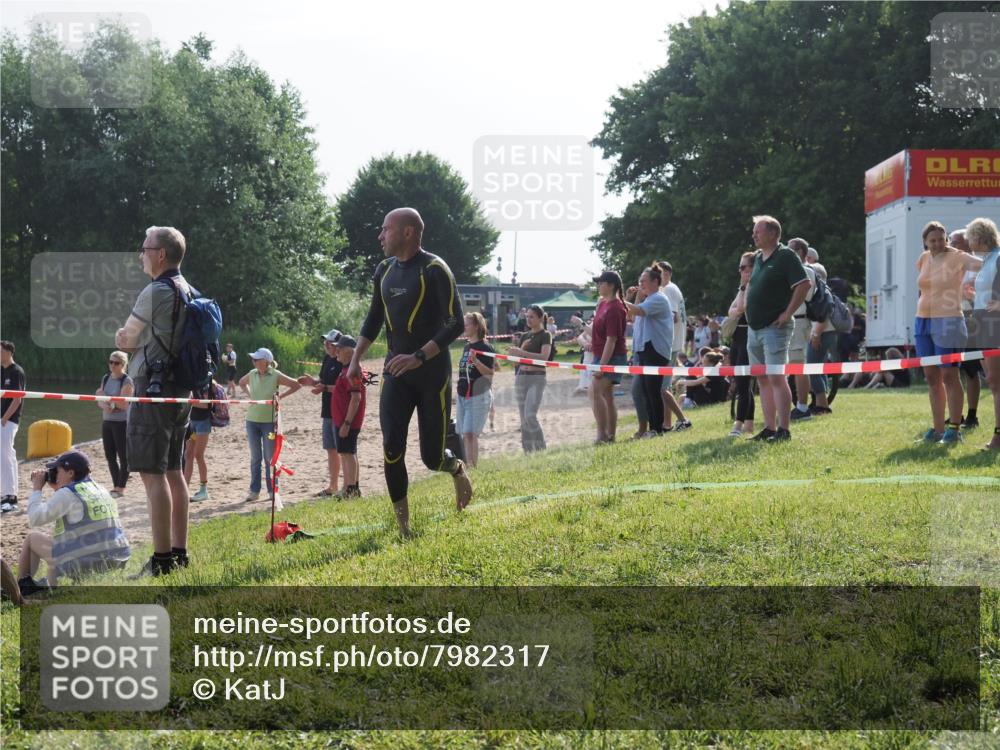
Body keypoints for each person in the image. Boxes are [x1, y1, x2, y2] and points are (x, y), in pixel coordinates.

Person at [348, 207, 471, 538]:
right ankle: (404, 528)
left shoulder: (434, 269)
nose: (380, 236)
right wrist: (355, 358)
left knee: (431, 458)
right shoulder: (384, 270)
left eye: (385, 229)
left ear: (407, 232)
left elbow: (455, 323)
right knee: (392, 448)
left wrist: (419, 356)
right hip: (396, 375)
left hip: (432, 376)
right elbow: (373, 318)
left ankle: (456, 468)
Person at [115, 226, 193, 576]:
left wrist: (123, 335)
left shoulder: (155, 290)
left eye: (144, 248)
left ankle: (161, 560)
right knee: (174, 471)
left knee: (152, 473)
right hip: (181, 390)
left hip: (153, 387)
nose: (140, 255)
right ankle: (179, 553)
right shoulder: (189, 290)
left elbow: (127, 341)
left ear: (161, 254)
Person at [17, 450, 130, 596]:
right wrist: (59, 489)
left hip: (89, 564)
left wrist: (37, 489)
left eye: (57, 471)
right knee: (58, 546)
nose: (55, 475)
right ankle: (45, 587)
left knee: (32, 539)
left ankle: (21, 587)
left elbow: (35, 519)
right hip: (117, 559)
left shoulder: (67, 494)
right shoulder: (100, 489)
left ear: (70, 473)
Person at [914, 221, 982, 444]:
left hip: (949, 320)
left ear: (946, 239)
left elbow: (985, 265)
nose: (937, 244)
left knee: (949, 375)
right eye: (932, 240)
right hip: (922, 321)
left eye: (941, 239)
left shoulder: (958, 256)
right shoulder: (924, 258)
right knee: (931, 377)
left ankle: (954, 429)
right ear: (925, 242)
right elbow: (923, 286)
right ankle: (937, 429)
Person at [745, 215, 810, 442]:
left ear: (773, 233)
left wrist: (787, 313)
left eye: (758, 231)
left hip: (775, 328)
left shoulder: (785, 256)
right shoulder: (759, 258)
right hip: (755, 329)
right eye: (754, 231)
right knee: (762, 379)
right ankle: (770, 428)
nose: (753, 235)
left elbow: (803, 285)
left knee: (776, 378)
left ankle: (784, 429)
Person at [239, 348, 301, 501]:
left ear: (266, 361)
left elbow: (296, 385)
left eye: (257, 359)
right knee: (255, 458)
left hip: (269, 423)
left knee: (270, 458)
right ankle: (254, 491)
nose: (254, 361)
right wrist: (251, 395)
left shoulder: (275, 375)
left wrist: (281, 397)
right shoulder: (252, 373)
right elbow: (241, 383)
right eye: (253, 359)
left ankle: (273, 490)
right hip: (252, 421)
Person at [624, 266, 673, 436]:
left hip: (655, 350)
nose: (640, 283)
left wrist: (617, 298)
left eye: (644, 281)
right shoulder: (649, 299)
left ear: (655, 281)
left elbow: (638, 311)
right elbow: (632, 315)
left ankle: (657, 429)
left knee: (652, 390)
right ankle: (652, 428)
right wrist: (632, 296)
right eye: (639, 281)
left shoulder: (658, 298)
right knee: (646, 391)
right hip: (645, 350)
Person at [966, 217, 1000, 450]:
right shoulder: (988, 260)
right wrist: (972, 296)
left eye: (970, 238)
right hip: (983, 323)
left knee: (996, 384)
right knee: (993, 382)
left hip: (994, 324)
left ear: (979, 237)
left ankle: (998, 436)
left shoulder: (997, 258)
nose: (968, 242)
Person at [297, 329, 344, 497]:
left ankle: (349, 486)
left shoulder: (343, 361)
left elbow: (342, 388)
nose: (327, 345)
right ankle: (333, 487)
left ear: (338, 344)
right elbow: (323, 382)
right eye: (325, 343)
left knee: (344, 451)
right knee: (331, 449)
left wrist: (324, 387)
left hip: (340, 410)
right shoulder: (327, 359)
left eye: (330, 343)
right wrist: (313, 382)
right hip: (327, 411)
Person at [589, 271, 629, 444]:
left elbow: (612, 340)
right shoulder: (604, 304)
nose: (598, 285)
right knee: (607, 395)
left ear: (611, 285)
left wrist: (601, 366)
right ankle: (610, 435)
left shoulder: (615, 308)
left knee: (594, 391)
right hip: (601, 355)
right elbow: (601, 333)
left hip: (612, 357)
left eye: (601, 282)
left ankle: (602, 435)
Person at [507, 304, 552, 453]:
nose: (529, 319)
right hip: (521, 377)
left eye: (532, 316)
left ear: (540, 318)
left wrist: (522, 352)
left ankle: (540, 448)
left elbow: (544, 358)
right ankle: (528, 451)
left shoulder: (545, 335)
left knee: (530, 415)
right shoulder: (525, 336)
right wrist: (515, 354)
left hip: (537, 378)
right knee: (523, 418)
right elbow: (517, 363)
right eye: (527, 316)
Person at [953, 229, 984, 430]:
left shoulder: (977, 267)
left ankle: (972, 415)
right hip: (952, 319)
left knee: (971, 369)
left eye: (955, 242)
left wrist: (970, 295)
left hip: (971, 320)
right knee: (953, 370)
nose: (951, 245)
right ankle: (956, 414)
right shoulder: (951, 266)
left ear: (966, 244)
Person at [456, 312, 495, 467]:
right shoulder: (466, 346)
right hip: (462, 395)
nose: (464, 327)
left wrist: (477, 362)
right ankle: (469, 466)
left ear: (477, 326)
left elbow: (490, 373)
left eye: (467, 324)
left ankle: (473, 466)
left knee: (470, 433)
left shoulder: (486, 347)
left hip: (478, 395)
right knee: (465, 434)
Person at [329, 336, 365, 497]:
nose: (337, 351)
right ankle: (349, 488)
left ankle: (351, 489)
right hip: (343, 420)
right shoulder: (346, 369)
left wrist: (347, 423)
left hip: (347, 421)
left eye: (340, 348)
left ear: (350, 352)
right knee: (346, 453)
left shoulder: (353, 370)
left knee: (348, 453)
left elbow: (356, 398)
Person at [97, 351, 134, 498]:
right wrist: (106, 404)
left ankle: (121, 488)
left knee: (123, 456)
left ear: (123, 365)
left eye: (116, 363)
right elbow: (98, 399)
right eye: (111, 362)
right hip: (107, 421)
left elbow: (123, 404)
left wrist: (107, 400)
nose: (112, 365)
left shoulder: (127, 381)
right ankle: (115, 486)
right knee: (110, 455)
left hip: (121, 422)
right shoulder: (106, 378)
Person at [727, 253, 756, 437]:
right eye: (740, 267)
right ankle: (749, 423)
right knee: (741, 382)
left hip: (749, 335)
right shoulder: (743, 287)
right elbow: (731, 311)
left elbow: (743, 307)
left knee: (744, 382)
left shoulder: (754, 286)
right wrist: (742, 287)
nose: (741, 271)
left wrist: (745, 288)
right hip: (737, 337)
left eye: (744, 267)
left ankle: (738, 424)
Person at [183, 380, 221, 502]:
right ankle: (184, 489)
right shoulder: (192, 382)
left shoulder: (206, 383)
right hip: (192, 422)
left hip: (203, 423)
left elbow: (206, 405)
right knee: (188, 455)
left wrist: (189, 402)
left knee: (199, 455)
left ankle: (204, 490)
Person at [1, 341, 25, 514]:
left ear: (9, 352)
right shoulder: (3, 371)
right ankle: (7, 494)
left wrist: (4, 418)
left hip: (8, 421)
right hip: (2, 419)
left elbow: (17, 399)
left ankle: (10, 497)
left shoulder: (16, 371)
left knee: (5, 457)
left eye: (0, 351)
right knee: (7, 457)